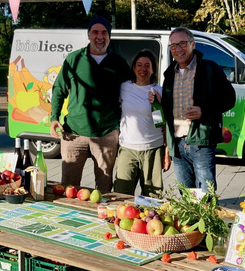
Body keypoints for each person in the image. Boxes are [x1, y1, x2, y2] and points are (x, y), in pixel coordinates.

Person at [50, 17, 130, 193]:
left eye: (104, 32)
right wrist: (54, 117)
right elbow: (59, 90)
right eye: (95, 32)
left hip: (107, 133)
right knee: (69, 188)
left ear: (109, 36)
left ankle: (101, 219)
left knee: (104, 189)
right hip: (74, 134)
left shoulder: (118, 62)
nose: (99, 36)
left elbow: (132, 90)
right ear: (88, 35)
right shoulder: (74, 59)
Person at [161, 26, 236, 190]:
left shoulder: (210, 69)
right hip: (178, 144)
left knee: (205, 195)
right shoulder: (169, 75)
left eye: (182, 43)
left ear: (192, 44)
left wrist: (204, 110)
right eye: (173, 45)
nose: (178, 49)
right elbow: (167, 112)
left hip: (201, 143)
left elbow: (230, 99)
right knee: (186, 195)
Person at [113, 49, 168, 197]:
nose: (143, 69)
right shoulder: (124, 87)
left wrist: (167, 153)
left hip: (153, 149)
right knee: (121, 194)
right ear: (133, 67)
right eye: (139, 65)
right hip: (127, 149)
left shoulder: (159, 91)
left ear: (153, 69)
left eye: (147, 65)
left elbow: (164, 124)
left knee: (152, 197)